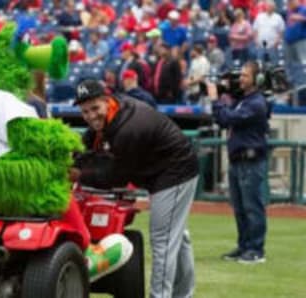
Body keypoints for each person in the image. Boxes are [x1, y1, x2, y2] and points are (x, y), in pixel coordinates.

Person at [72, 79, 199, 298]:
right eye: (85, 111)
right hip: (161, 170)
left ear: (106, 100)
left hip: (175, 171)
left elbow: (116, 176)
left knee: (163, 240)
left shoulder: (128, 128)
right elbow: (90, 140)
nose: (91, 115)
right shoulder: (113, 112)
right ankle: (183, 294)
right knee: (178, 237)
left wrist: (79, 175)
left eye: (95, 108)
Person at [208, 61, 269, 264]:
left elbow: (226, 119)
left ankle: (256, 249)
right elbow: (225, 116)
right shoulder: (244, 100)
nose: (240, 79)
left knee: (252, 206)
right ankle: (244, 246)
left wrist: (215, 100)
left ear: (257, 79)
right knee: (240, 208)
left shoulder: (256, 103)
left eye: (245, 75)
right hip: (238, 160)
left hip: (250, 161)